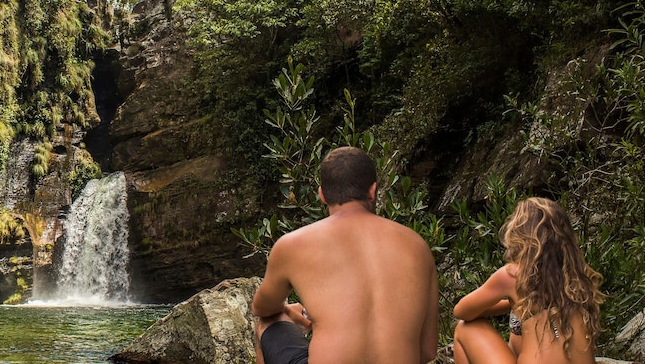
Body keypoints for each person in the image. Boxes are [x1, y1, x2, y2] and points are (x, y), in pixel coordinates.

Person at [251, 146, 440, 364]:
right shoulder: (417, 245)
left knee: (267, 322)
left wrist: (288, 310)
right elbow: (427, 352)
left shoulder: (293, 244)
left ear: (322, 195)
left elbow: (261, 308)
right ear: (373, 190)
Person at [450, 197, 604, 364]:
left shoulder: (514, 275)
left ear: (520, 234)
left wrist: (510, 303)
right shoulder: (577, 277)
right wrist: (514, 304)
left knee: (465, 327)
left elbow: (461, 311)